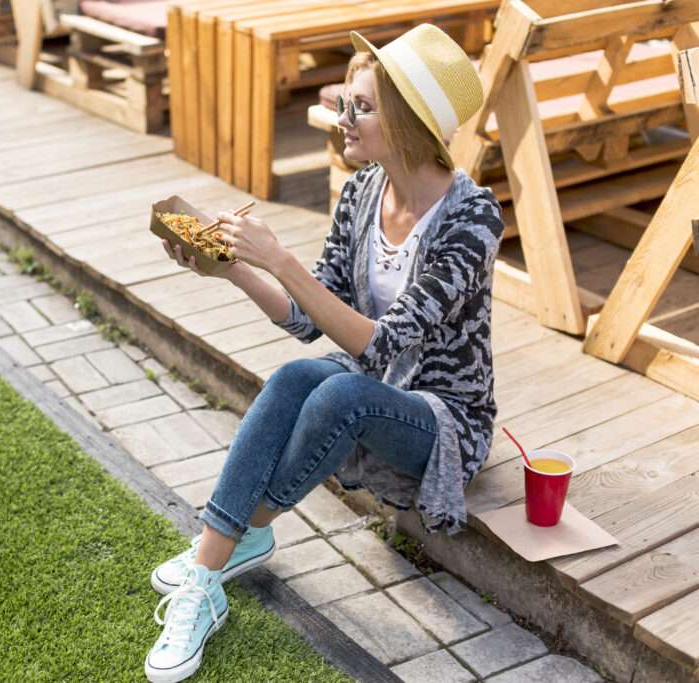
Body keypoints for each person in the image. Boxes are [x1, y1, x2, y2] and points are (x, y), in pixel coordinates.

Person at [144, 23, 505, 683]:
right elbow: (310, 321)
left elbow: (387, 340)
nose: (342, 118)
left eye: (360, 106)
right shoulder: (362, 192)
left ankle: (216, 553)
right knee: (294, 376)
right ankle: (215, 564)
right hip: (371, 379)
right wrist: (232, 269)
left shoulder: (473, 219)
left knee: (337, 389)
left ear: (409, 121)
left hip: (443, 416)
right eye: (345, 102)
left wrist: (280, 257)